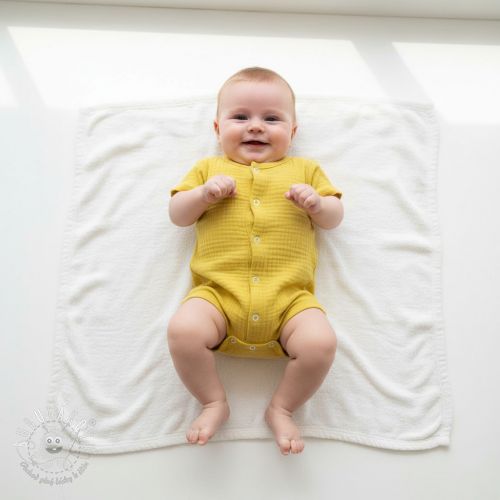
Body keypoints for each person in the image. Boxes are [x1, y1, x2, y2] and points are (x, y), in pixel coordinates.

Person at [167, 67, 344, 455]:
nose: (256, 127)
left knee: (321, 343)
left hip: (289, 301)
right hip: (217, 296)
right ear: (217, 128)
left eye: (272, 119)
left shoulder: (305, 170)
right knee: (183, 331)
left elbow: (334, 218)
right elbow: (178, 214)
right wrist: (203, 196)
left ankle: (282, 408)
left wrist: (317, 204)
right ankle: (213, 401)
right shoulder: (208, 169)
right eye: (240, 116)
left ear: (293, 131)